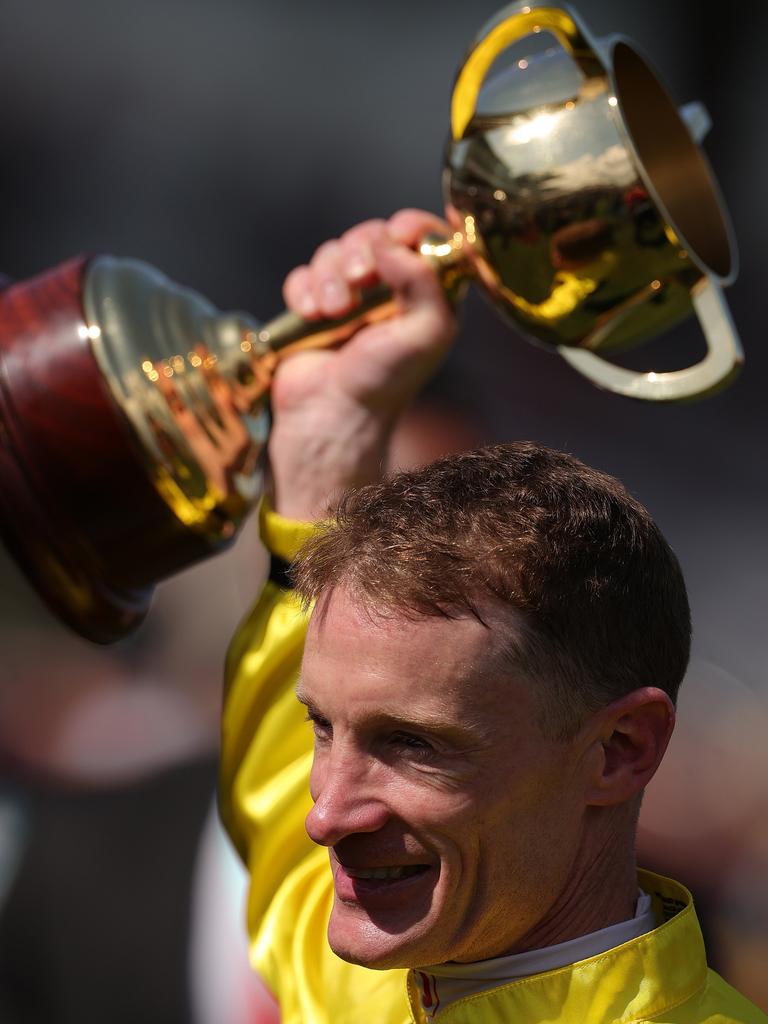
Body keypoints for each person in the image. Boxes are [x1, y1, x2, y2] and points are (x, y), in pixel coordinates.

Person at [218, 210, 767, 1024]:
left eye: (412, 744)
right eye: (323, 727)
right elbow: (272, 829)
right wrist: (325, 438)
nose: (324, 814)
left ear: (622, 750)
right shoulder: (371, 979)